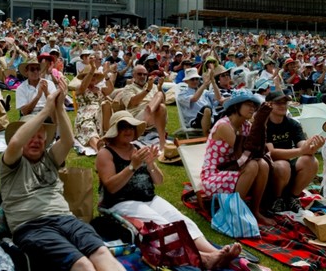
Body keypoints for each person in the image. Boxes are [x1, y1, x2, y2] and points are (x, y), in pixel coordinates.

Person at [0, 78, 125, 271]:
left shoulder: (49, 158)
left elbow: (68, 140)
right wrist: (45, 109)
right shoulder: (11, 162)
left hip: (66, 219)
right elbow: (15, 143)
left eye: (41, 137)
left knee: (101, 253)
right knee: (82, 264)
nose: (36, 141)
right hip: (32, 227)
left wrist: (58, 106)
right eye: (31, 136)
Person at [95, 111, 241, 270]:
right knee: (164, 227)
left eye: (131, 126)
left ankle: (216, 252)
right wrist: (132, 166)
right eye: (122, 127)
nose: (128, 130)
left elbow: (159, 181)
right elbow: (111, 186)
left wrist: (151, 165)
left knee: (183, 222)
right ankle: (203, 258)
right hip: (122, 202)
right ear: (114, 132)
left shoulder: (138, 147)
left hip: (149, 198)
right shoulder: (106, 153)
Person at [200, 89, 275, 226]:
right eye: (248, 105)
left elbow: (258, 149)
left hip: (235, 167)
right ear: (236, 106)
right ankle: (233, 213)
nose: (252, 108)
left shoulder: (246, 126)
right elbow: (243, 151)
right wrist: (259, 122)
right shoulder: (224, 126)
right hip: (215, 174)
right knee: (253, 165)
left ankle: (255, 210)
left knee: (262, 164)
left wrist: (261, 124)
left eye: (254, 106)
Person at [265, 92, 325, 213]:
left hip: (287, 165)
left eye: (284, 103)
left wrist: (313, 147)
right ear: (269, 105)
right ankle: (277, 199)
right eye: (278, 103)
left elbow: (303, 146)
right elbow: (271, 153)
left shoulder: (292, 124)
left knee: (311, 161)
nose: (283, 105)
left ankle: (292, 197)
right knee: (283, 165)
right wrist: (300, 151)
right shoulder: (264, 125)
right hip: (267, 167)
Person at [119, 64, 168, 149]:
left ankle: (150, 111)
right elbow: (132, 103)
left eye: (145, 74)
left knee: (162, 105)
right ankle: (162, 141)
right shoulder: (128, 88)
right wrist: (147, 90)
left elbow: (163, 102)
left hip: (152, 115)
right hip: (137, 116)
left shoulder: (153, 86)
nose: (142, 76)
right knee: (159, 101)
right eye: (139, 74)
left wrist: (160, 87)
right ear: (133, 75)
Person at [74, 63, 114, 151]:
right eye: (90, 75)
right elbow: (84, 85)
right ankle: (98, 147)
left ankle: (107, 138)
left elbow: (111, 89)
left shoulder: (99, 89)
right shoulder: (80, 89)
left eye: (95, 76)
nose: (93, 77)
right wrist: (92, 70)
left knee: (107, 105)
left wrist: (106, 75)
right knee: (88, 126)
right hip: (86, 113)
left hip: (101, 114)